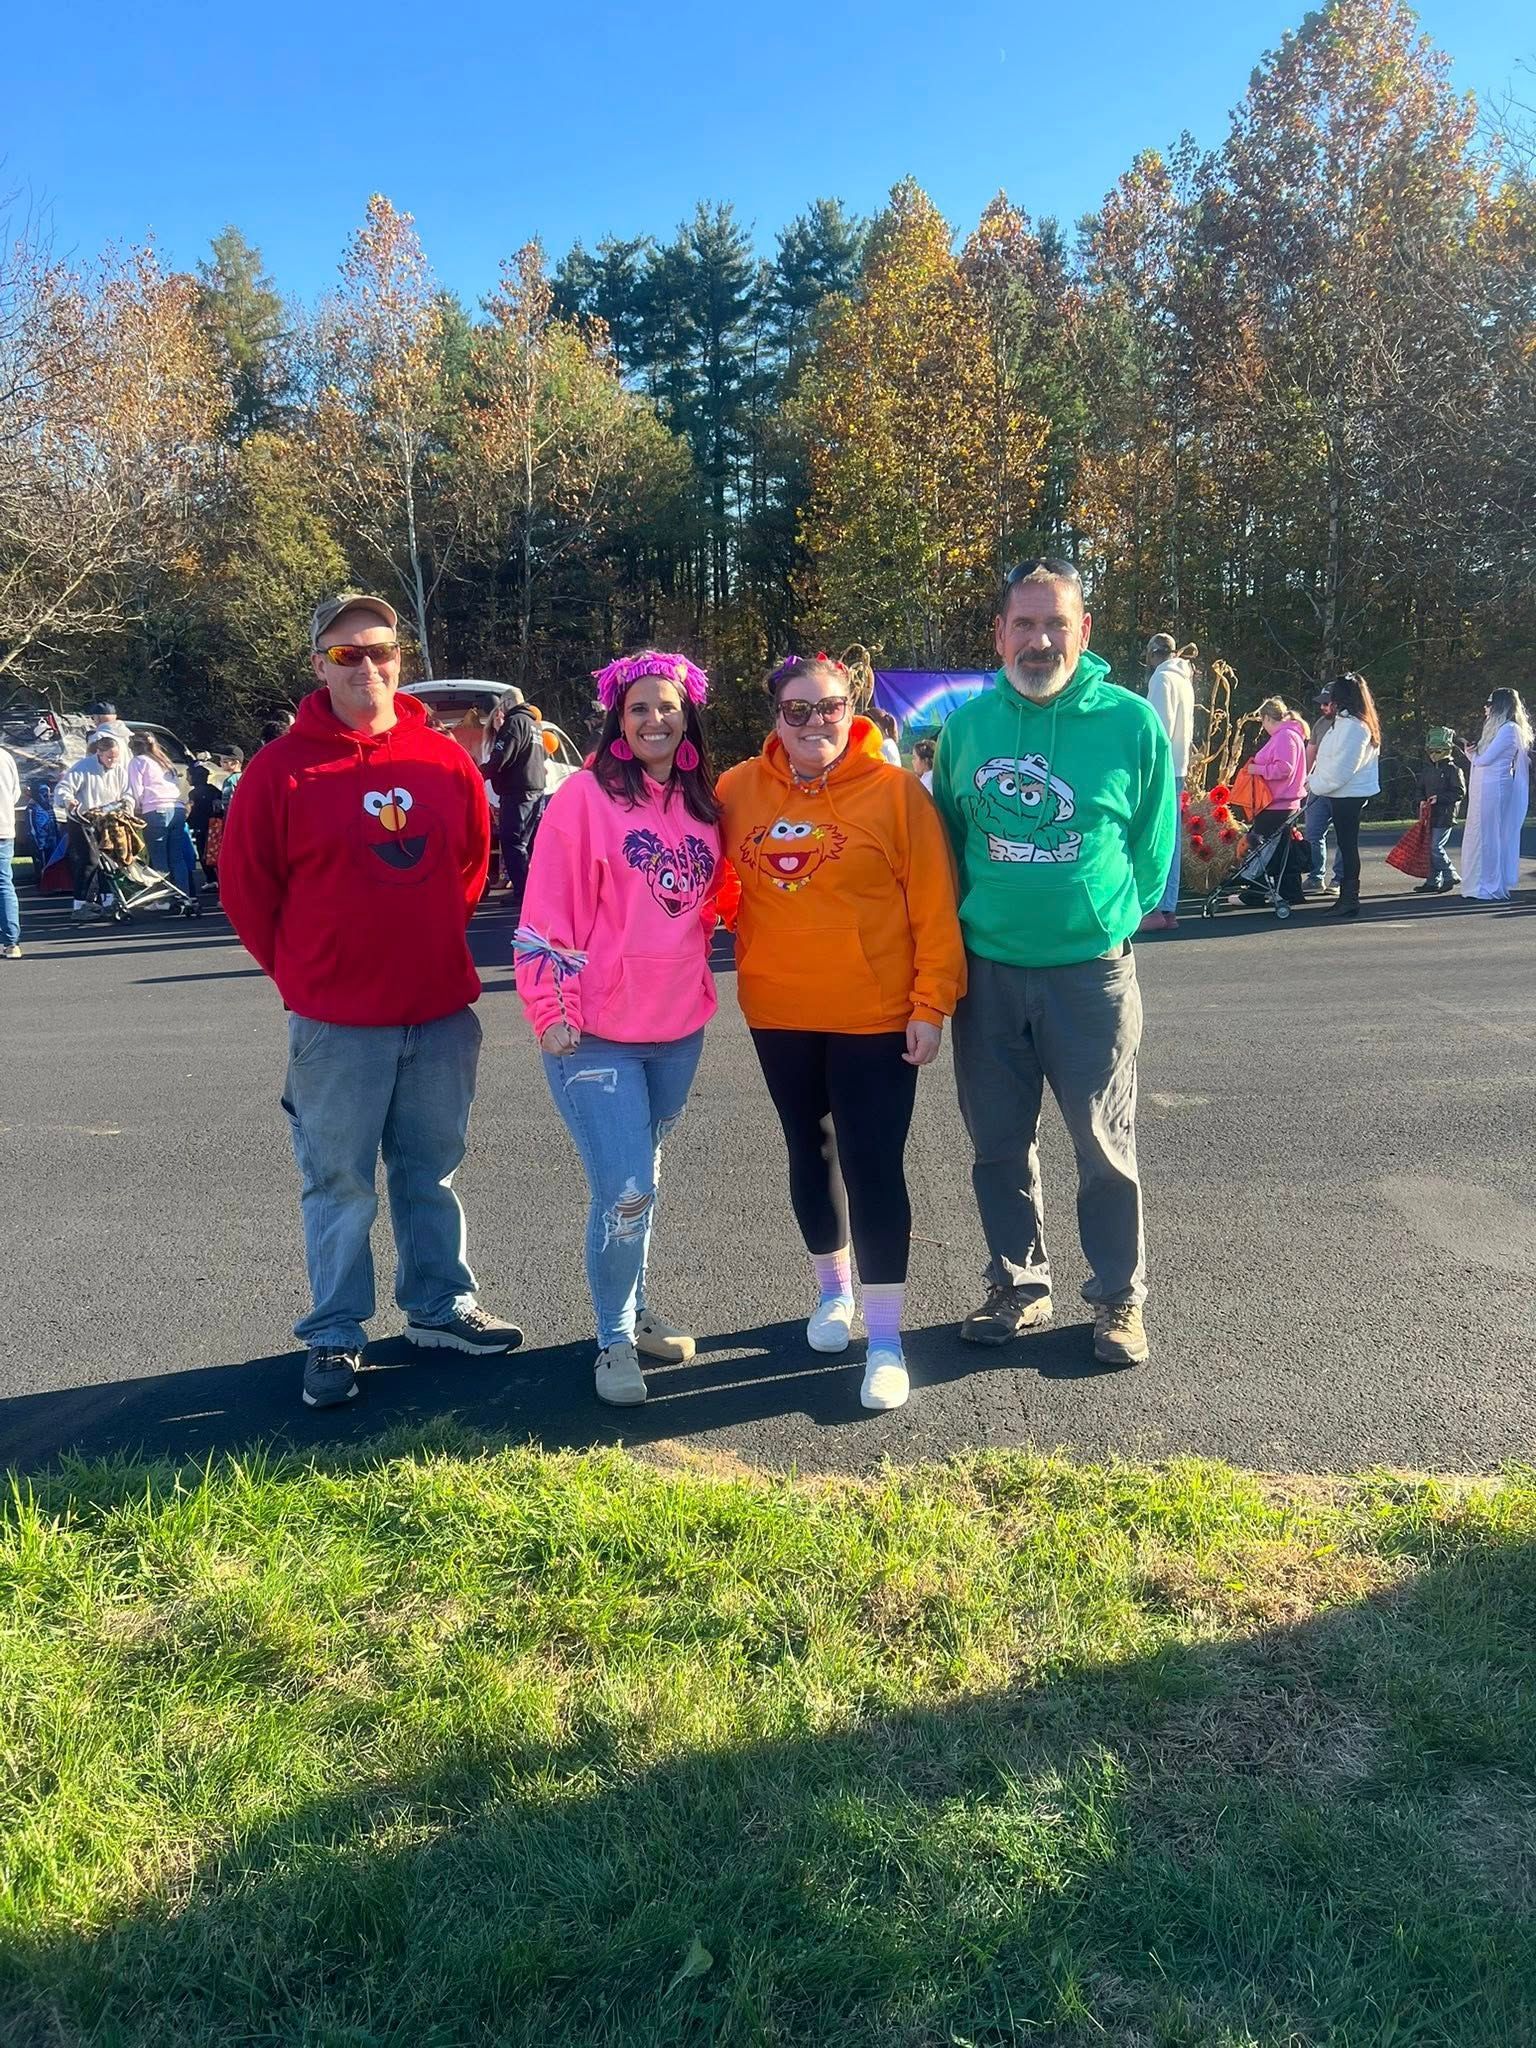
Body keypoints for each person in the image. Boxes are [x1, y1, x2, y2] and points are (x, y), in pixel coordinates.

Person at [219, 590, 522, 1411]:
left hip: (437, 1012)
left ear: (401, 661)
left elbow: (469, 864)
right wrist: (307, 974)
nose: (368, 666)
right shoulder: (281, 770)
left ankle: (438, 1309)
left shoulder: (441, 760)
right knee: (338, 1183)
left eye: (382, 650)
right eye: (348, 653)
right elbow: (247, 891)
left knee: (433, 1172)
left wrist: (419, 944)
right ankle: (334, 1332)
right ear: (319, 664)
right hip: (336, 1024)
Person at [932, 559, 1173, 1367]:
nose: (1040, 642)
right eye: (1024, 625)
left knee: (1103, 1145)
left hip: (1089, 976)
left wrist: (1104, 920)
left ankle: (1117, 1300)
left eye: (1055, 624)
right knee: (998, 1143)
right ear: (999, 634)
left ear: (1083, 632)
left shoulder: (1132, 723)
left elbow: (1151, 843)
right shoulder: (967, 730)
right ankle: (1017, 1285)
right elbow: (951, 846)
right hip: (988, 976)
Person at [718, 654, 964, 1413]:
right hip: (779, 1008)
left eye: (827, 707)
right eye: (796, 710)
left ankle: (886, 1339)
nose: (813, 723)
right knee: (809, 1149)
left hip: (875, 1013)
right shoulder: (735, 790)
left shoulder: (896, 795)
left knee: (873, 1165)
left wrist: (931, 1004)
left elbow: (933, 904)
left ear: (850, 708)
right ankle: (833, 1295)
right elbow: (702, 873)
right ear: (774, 717)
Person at [517, 651, 722, 1408]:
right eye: (638, 708)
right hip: (594, 1033)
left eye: (666, 706)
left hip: (679, 1028)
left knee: (643, 1177)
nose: (653, 719)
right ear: (617, 720)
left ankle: (632, 1313)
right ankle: (611, 1340)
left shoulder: (703, 805)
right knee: (626, 1190)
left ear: (687, 715)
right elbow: (546, 910)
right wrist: (551, 1010)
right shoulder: (583, 800)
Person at [1306, 672, 1381, 919]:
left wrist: (1314, 784)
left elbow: (1341, 770)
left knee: (1348, 846)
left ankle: (1350, 898)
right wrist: (1315, 781)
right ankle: (1346, 897)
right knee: (1346, 845)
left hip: (1347, 794)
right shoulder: (1345, 723)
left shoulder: (1355, 727)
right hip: (1339, 793)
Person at [1142, 633, 1197, 930]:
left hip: (1164, 766)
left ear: (1153, 655)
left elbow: (1158, 730)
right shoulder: (1183, 680)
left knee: (1157, 836)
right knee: (1171, 836)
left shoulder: (1162, 680)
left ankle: (1155, 908)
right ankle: (1169, 908)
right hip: (1179, 765)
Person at [1460, 688, 1532, 902]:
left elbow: (1484, 760)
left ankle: (1489, 884)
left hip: (1495, 787)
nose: (1486, 707)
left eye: (1490, 703)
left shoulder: (1509, 729)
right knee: (1479, 832)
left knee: (1490, 834)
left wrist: (1469, 752)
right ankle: (1477, 882)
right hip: (1485, 786)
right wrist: (1473, 752)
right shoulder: (1498, 729)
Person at [58, 733, 135, 920]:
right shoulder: (82, 768)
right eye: (109, 757)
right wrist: (68, 801)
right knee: (90, 860)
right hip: (82, 820)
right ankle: (79, 905)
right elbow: (63, 789)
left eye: (116, 757)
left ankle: (108, 902)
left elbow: (128, 793)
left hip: (107, 820)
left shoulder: (119, 770)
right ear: (98, 753)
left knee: (109, 860)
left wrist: (127, 803)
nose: (113, 761)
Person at [1240, 696, 1309, 905]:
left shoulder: (1284, 737)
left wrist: (1256, 769)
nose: (1263, 727)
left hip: (1277, 803)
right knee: (1281, 849)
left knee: (1258, 844)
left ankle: (1255, 891)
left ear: (1269, 718)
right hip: (1284, 802)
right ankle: (1290, 891)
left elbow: (1284, 769)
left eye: (1263, 722)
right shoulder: (1291, 735)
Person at [486, 685, 548, 910]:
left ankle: (522, 893)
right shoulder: (535, 725)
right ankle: (537, 891)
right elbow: (545, 754)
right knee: (530, 844)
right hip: (536, 790)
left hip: (517, 792)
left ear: (506, 704)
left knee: (513, 843)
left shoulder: (514, 723)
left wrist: (479, 773)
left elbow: (502, 756)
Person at [126, 731, 199, 899]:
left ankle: (162, 898)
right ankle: (184, 896)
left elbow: (136, 790)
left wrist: (134, 809)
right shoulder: (164, 761)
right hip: (177, 808)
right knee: (177, 857)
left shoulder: (138, 762)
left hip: (155, 810)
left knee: (159, 859)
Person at [1415, 727, 1466, 895]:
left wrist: (1440, 798)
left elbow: (1459, 792)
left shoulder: (1453, 770)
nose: (1434, 754)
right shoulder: (1427, 770)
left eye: (1438, 751)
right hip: (1429, 815)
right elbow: (1420, 788)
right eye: (1431, 751)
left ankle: (1450, 873)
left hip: (1445, 814)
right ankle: (1433, 880)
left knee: (1435, 847)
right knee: (1429, 846)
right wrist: (1421, 800)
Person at [1302, 683, 1340, 895]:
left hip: (1342, 790)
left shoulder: (1349, 725)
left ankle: (1339, 879)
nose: (1323, 708)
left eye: (1327, 703)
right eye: (1321, 704)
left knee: (1344, 837)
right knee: (1313, 834)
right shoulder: (1320, 724)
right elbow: (1311, 752)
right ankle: (1316, 877)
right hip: (1318, 787)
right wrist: (1305, 779)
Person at [0, 743, 20, 959]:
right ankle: (11, 942)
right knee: (4, 884)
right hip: (4, 826)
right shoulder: (6, 756)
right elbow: (16, 792)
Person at [186, 763, 222, 881]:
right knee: (215, 851)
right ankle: (220, 878)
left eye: (189, 776)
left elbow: (190, 808)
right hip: (215, 825)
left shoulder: (193, 793)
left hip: (200, 826)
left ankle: (211, 879)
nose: (186, 779)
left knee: (203, 852)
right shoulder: (214, 790)